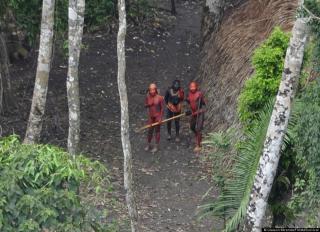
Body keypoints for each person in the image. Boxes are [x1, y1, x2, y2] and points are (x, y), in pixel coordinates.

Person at [186, 81, 206, 153]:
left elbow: (204, 103)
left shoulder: (199, 94)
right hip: (193, 113)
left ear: (196, 87)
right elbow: (189, 103)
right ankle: (197, 136)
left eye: (194, 87)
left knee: (198, 129)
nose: (192, 89)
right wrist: (189, 111)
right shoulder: (189, 95)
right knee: (192, 127)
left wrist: (201, 98)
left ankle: (198, 145)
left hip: (200, 113)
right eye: (191, 87)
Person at [144, 83, 165, 153]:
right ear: (149, 90)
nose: (152, 91)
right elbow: (146, 106)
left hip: (157, 116)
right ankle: (148, 144)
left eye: (153, 90)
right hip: (151, 116)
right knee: (150, 131)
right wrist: (148, 105)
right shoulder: (147, 97)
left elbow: (162, 108)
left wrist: (160, 118)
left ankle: (156, 146)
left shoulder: (160, 98)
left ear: (155, 90)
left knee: (157, 131)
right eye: (151, 90)